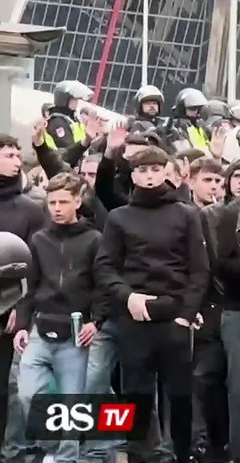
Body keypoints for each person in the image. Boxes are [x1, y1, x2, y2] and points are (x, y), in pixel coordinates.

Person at [95, 144, 211, 463]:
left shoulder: (186, 214)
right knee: (135, 395)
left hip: (175, 317)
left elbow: (199, 269)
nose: (149, 177)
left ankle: (184, 455)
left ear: (165, 172)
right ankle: (139, 456)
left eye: (155, 170)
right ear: (133, 175)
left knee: (181, 395)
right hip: (134, 316)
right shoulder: (119, 218)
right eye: (142, 171)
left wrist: (186, 315)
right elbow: (105, 267)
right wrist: (127, 296)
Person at [14, 173, 105, 463]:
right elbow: (30, 286)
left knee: (71, 404)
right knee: (28, 393)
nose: (56, 207)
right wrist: (23, 325)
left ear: (78, 201)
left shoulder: (94, 240)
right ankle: (50, 448)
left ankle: (67, 458)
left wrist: (96, 321)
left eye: (63, 201)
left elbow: (103, 285)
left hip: (77, 329)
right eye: (52, 202)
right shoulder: (39, 239)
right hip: (41, 325)